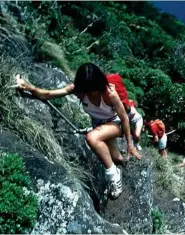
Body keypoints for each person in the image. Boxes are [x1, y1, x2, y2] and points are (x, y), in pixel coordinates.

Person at [15, 62, 142, 199]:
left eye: (95, 89)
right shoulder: (78, 90)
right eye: (89, 90)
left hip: (116, 124)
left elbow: (124, 117)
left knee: (92, 138)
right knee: (117, 159)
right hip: (100, 125)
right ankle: (118, 165)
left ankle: (113, 176)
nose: (92, 93)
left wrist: (130, 144)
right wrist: (29, 87)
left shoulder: (110, 94)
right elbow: (48, 94)